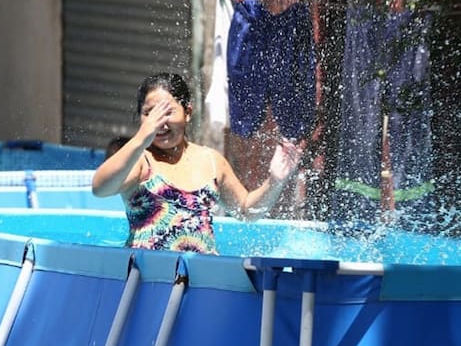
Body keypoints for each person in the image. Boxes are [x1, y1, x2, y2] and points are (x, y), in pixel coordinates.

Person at [92, 72, 303, 254]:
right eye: (149, 114)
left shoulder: (211, 161)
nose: (159, 123)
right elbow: (100, 189)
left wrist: (274, 182)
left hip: (202, 276)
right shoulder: (140, 161)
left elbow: (246, 211)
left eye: (167, 112)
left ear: (188, 113)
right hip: (148, 279)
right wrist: (140, 139)